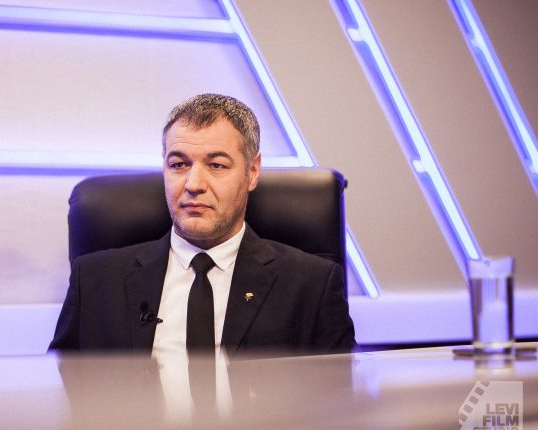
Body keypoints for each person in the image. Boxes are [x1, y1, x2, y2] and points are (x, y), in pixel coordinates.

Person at [49, 94, 355, 356]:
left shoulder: (312, 283)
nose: (193, 184)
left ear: (252, 171)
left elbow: (338, 396)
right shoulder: (95, 281)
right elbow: (62, 387)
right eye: (178, 164)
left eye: (216, 165)